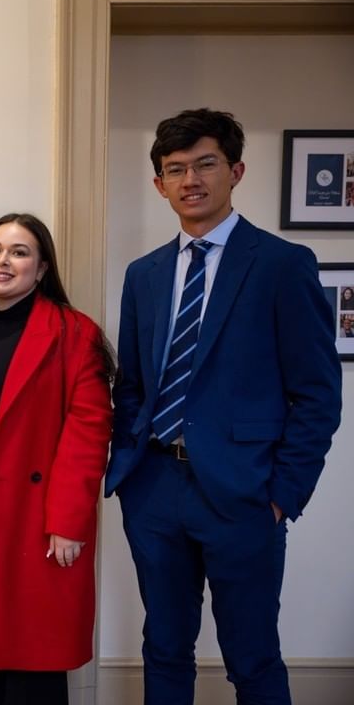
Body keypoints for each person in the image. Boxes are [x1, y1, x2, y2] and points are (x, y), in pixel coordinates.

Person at [106, 108, 342, 705]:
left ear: (235, 170)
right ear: (160, 185)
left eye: (205, 164)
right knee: (162, 648)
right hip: (155, 487)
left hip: (245, 493)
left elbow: (317, 394)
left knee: (253, 655)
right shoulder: (144, 275)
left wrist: (283, 494)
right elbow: (132, 383)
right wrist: (130, 467)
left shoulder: (283, 265)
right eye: (175, 169)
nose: (191, 179)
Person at [0, 213, 114, 705]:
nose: (2, 261)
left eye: (18, 252)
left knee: (33, 653)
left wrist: (68, 521)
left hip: (36, 515)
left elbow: (89, 432)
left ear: (41, 270)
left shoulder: (75, 333)